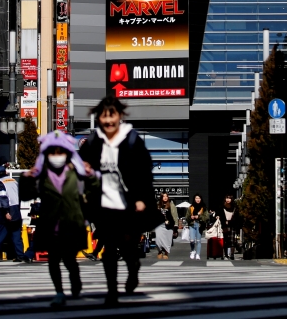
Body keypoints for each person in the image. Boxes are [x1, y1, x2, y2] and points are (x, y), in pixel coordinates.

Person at [78, 97, 160, 305]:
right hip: (104, 204)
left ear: (120, 116)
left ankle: (133, 269)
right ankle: (112, 290)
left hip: (128, 203)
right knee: (109, 248)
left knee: (128, 247)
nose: (107, 120)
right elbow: (81, 162)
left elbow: (145, 170)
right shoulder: (94, 140)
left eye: (111, 115)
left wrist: (142, 198)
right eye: (103, 116)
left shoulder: (131, 139)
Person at [21, 131, 96, 307]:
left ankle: (75, 281)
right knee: (53, 261)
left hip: (71, 224)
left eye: (60, 152)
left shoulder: (76, 173)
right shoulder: (42, 175)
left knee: (70, 260)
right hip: (50, 224)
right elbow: (25, 196)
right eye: (53, 152)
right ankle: (59, 292)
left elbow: (93, 192)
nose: (56, 156)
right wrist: (26, 178)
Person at [0, 162, 26, 262]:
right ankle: (20, 255)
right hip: (16, 209)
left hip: (6, 210)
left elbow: (3, 198)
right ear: (6, 172)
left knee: (0, 233)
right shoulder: (14, 181)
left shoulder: (0, 182)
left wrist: (6, 212)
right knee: (16, 234)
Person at [155, 192, 179, 259]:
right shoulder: (158, 205)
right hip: (159, 225)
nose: (165, 198)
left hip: (169, 225)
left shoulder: (171, 205)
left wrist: (175, 227)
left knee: (167, 240)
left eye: (166, 196)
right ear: (161, 197)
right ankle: (159, 251)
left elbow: (175, 216)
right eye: (163, 196)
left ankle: (166, 253)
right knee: (158, 240)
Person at [217, 195, 241, 260]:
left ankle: (232, 254)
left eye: (229, 198)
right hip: (224, 225)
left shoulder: (235, 207)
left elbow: (237, 217)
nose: (228, 199)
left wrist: (230, 222)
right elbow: (220, 215)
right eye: (227, 198)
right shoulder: (222, 207)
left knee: (232, 240)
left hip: (232, 225)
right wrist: (222, 221)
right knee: (225, 240)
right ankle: (225, 254)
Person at [186, 194, 207, 260]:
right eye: (196, 198)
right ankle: (192, 251)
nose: (197, 200)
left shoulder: (203, 208)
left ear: (201, 199)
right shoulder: (191, 207)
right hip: (192, 224)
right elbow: (187, 217)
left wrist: (199, 217)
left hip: (199, 225)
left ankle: (198, 254)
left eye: (199, 198)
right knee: (192, 240)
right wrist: (190, 217)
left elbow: (206, 217)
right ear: (194, 199)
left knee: (198, 240)